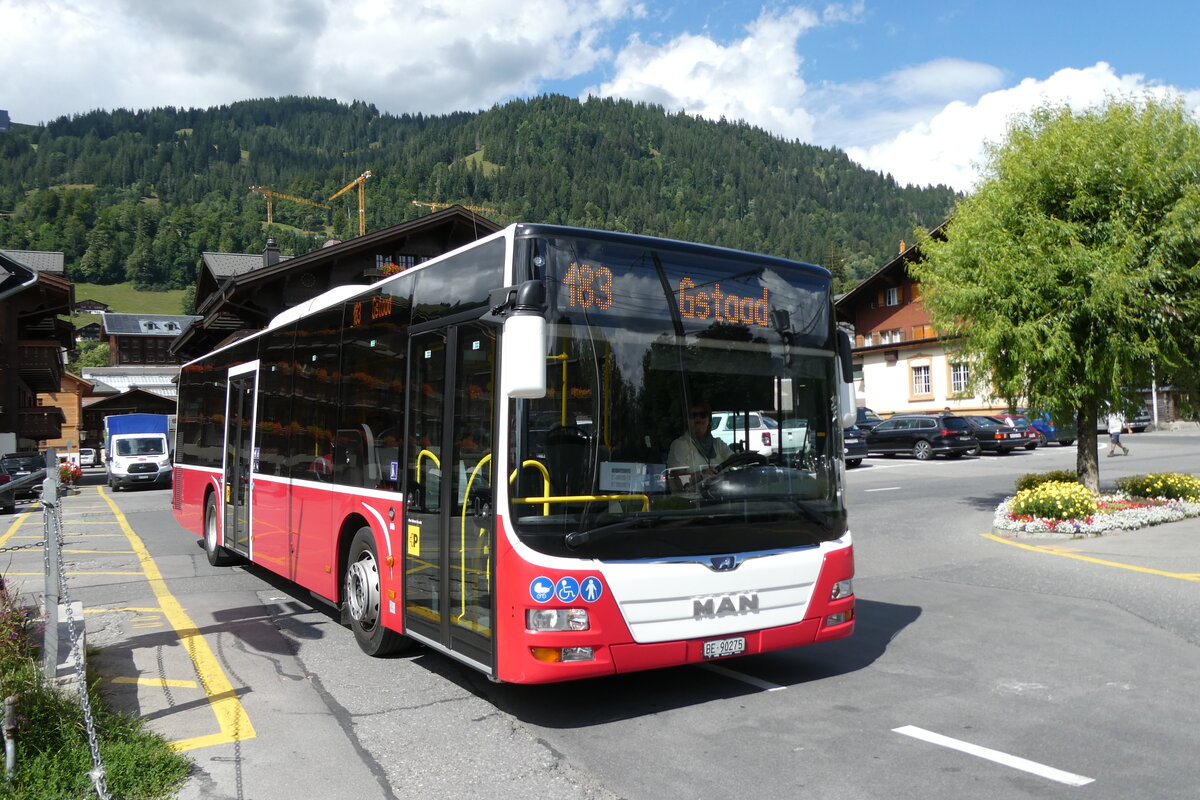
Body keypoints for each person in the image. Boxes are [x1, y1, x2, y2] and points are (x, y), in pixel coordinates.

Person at [667, 402, 732, 491]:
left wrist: (744, 456)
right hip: (691, 502)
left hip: (721, 498)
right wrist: (701, 475)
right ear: (687, 421)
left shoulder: (718, 443)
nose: (698, 419)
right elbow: (679, 482)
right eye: (693, 416)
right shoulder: (680, 445)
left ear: (709, 419)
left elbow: (733, 460)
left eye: (703, 415)